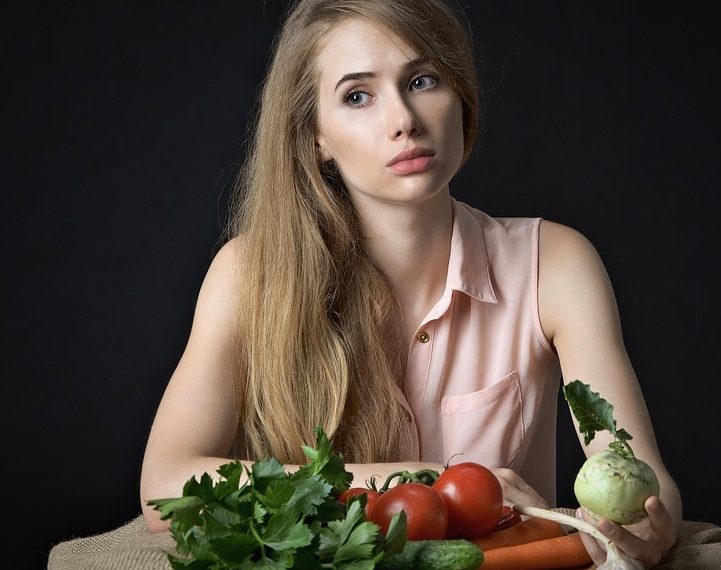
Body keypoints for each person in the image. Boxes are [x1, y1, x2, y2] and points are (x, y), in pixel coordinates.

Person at [139, 0, 682, 566]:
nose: (403, 119)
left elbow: (642, 481)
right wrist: (435, 480)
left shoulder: (557, 263)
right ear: (315, 135)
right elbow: (166, 488)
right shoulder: (248, 274)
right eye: (357, 95)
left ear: (460, 99)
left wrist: (646, 525)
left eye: (422, 80)